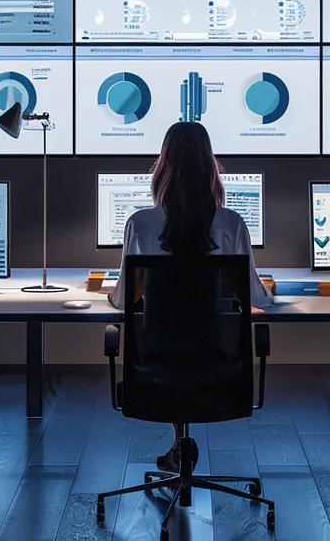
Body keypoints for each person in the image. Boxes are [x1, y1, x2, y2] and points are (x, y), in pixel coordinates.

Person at [110, 121, 271, 470]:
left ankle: (178, 448)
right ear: (210, 168)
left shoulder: (141, 223)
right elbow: (256, 299)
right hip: (219, 363)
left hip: (156, 364)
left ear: (163, 168)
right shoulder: (230, 223)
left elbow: (123, 301)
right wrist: (270, 291)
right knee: (194, 358)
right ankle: (179, 448)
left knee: (174, 357)